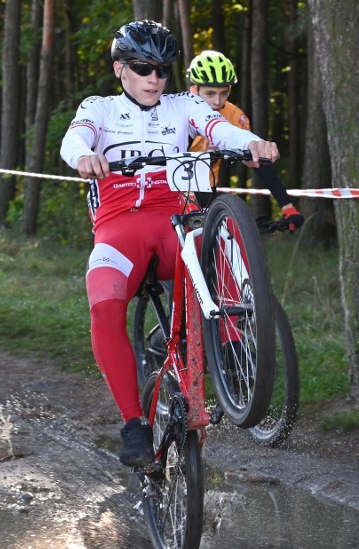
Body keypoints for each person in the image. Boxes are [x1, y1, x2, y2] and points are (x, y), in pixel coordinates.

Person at [59, 20, 281, 467]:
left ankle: (235, 349)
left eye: (163, 69)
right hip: (120, 226)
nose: (155, 78)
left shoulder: (184, 105)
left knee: (222, 248)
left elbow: (219, 129)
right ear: (121, 68)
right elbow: (74, 136)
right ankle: (133, 425)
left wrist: (253, 142)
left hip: (174, 217)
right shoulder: (98, 107)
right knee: (102, 302)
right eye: (143, 68)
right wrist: (83, 155)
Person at [187, 50, 304, 232]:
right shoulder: (178, 109)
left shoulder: (234, 115)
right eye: (210, 94)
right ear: (194, 90)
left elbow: (258, 162)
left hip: (206, 190)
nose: (217, 101)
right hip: (170, 189)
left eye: (223, 93)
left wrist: (287, 205)